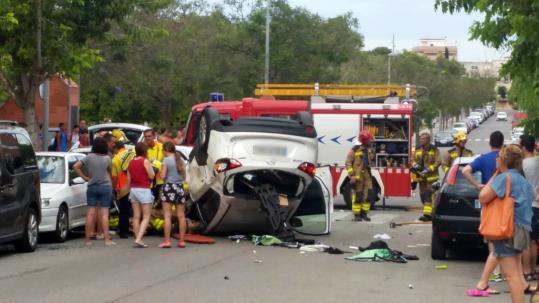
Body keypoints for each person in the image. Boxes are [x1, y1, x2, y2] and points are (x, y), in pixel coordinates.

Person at [479, 144, 534, 302]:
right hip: (521, 229)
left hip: (507, 229)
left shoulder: (504, 178)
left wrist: (496, 173)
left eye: (499, 158)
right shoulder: (522, 179)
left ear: (504, 160)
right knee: (516, 273)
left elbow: (483, 196)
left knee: (512, 276)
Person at [463, 130, 504, 294]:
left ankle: (495, 272)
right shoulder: (506, 158)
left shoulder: (483, 159)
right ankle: (506, 271)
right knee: (506, 237)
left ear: (490, 143)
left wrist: (477, 185)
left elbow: (465, 171)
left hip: (488, 203)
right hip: (505, 203)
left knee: (492, 238)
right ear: (502, 143)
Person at [73, 137, 115, 246]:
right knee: (104, 214)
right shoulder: (107, 158)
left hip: (92, 186)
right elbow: (110, 173)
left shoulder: (89, 157)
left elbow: (75, 166)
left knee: (90, 213)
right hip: (105, 187)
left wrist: (85, 177)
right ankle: (107, 239)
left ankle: (87, 240)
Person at [159, 142, 188, 248]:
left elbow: (162, 176)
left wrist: (159, 170)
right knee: (181, 215)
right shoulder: (180, 160)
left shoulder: (166, 160)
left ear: (165, 150)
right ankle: (181, 241)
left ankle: (167, 241)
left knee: (167, 215)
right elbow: (184, 176)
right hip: (179, 188)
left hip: (169, 187)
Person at [127, 142, 155, 248]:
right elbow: (151, 176)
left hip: (133, 190)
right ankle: (139, 239)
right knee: (146, 216)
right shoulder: (145, 161)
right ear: (144, 151)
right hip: (144, 189)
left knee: (136, 216)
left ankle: (137, 237)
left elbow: (129, 179)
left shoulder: (130, 162)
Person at [520, 135, 539, 281]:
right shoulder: (538, 162)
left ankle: (526, 271)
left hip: (527, 206)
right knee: (533, 241)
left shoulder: (523, 165)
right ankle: (533, 270)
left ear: (524, 147)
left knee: (525, 241)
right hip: (537, 205)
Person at [345, 130, 375, 222]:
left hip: (367, 176)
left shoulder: (370, 149)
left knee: (368, 196)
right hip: (358, 177)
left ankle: (364, 214)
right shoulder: (355, 149)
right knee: (358, 196)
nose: (371, 141)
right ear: (365, 140)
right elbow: (348, 162)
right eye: (369, 139)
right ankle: (357, 215)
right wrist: (352, 175)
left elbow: (372, 160)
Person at [411, 132, 441, 222]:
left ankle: (427, 215)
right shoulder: (418, 149)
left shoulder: (434, 149)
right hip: (421, 178)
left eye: (423, 139)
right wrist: (415, 166)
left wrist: (428, 169)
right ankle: (429, 212)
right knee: (423, 196)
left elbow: (438, 162)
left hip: (431, 178)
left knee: (429, 195)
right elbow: (413, 160)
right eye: (420, 138)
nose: (421, 140)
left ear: (428, 140)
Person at [111, 130, 131, 239]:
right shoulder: (130, 153)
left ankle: (123, 231)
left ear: (116, 149)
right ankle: (128, 229)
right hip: (134, 185)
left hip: (122, 187)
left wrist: (113, 188)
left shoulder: (115, 159)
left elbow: (114, 177)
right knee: (129, 210)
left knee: (123, 210)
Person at [143, 129, 164, 200]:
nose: (147, 138)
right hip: (147, 183)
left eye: (149, 136)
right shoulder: (143, 149)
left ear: (154, 136)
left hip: (160, 182)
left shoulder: (161, 147)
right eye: (145, 136)